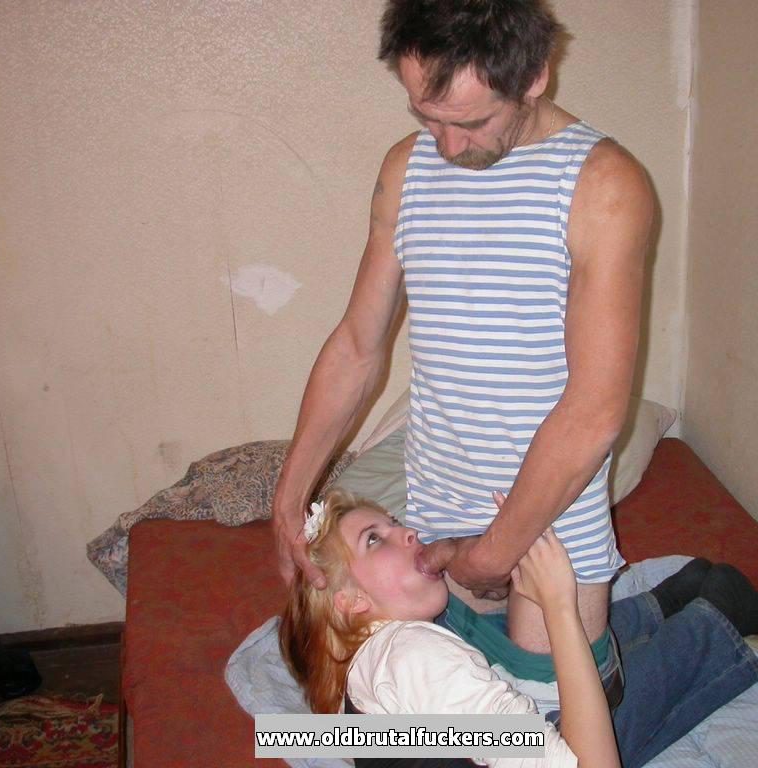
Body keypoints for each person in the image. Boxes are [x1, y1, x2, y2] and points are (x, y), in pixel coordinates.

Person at [272, 0, 654, 666]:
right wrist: (288, 498)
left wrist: (492, 554)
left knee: (554, 722)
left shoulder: (603, 185)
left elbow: (593, 413)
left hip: (551, 524)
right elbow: (358, 348)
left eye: (471, 122)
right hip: (433, 512)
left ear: (534, 75)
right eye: (426, 117)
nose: (446, 147)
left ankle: (699, 631)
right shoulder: (406, 169)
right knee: (411, 708)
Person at [280, 490, 758, 768]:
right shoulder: (413, 656)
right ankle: (715, 613)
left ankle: (669, 599)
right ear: (350, 601)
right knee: (615, 695)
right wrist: (559, 607)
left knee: (538, 662)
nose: (408, 532)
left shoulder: (361, 667)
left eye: (393, 523)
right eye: (375, 540)